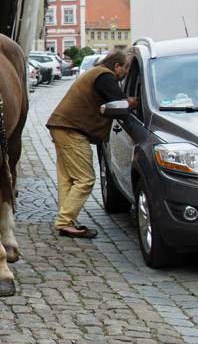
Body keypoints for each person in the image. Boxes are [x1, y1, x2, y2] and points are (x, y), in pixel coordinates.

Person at [46, 49, 138, 238]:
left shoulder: (95, 72)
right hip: (71, 130)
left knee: (68, 178)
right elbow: (122, 103)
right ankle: (65, 221)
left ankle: (66, 221)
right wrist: (137, 101)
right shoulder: (105, 76)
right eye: (126, 67)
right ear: (117, 66)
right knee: (85, 179)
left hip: (61, 126)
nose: (127, 72)